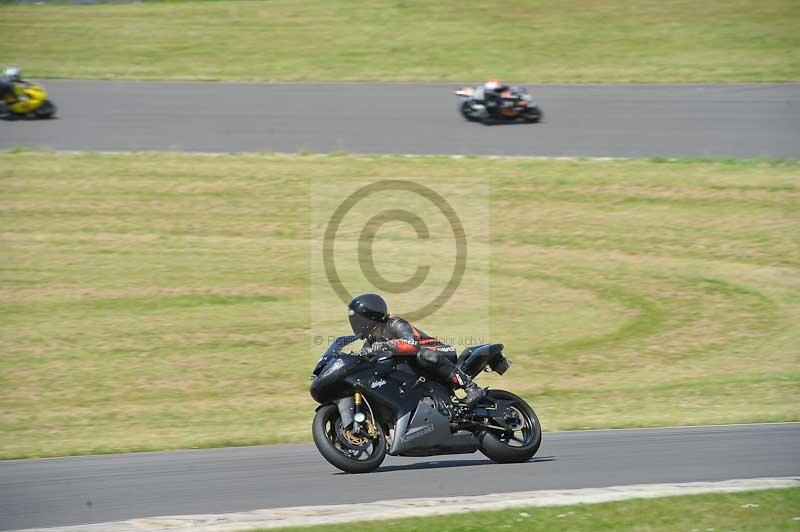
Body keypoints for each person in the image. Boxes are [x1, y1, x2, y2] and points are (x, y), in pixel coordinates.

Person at [347, 293, 486, 406]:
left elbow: (411, 345)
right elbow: (366, 359)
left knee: (423, 355)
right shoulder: (371, 340)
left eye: (359, 319)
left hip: (438, 351)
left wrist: (387, 345)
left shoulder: (395, 323)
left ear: (371, 316)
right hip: (418, 366)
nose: (357, 324)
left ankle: (471, 387)